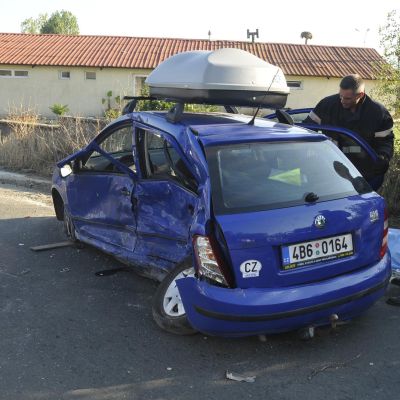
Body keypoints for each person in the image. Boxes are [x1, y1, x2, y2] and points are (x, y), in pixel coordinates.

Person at [304, 74, 394, 190]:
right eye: (340, 96)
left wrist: (383, 157)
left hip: (361, 173)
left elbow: (386, 141)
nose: (342, 100)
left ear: (360, 95)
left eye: (347, 98)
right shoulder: (327, 105)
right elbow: (307, 129)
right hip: (329, 168)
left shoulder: (377, 113)